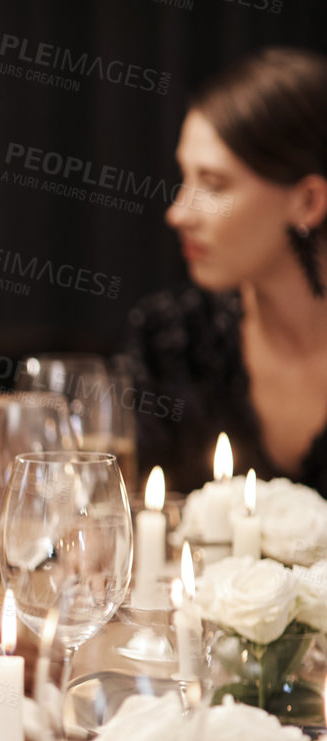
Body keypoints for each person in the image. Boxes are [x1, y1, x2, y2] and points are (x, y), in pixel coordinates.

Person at [122, 47, 327, 495]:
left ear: (308, 200)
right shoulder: (173, 336)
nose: (178, 213)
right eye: (184, 177)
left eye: (212, 185)